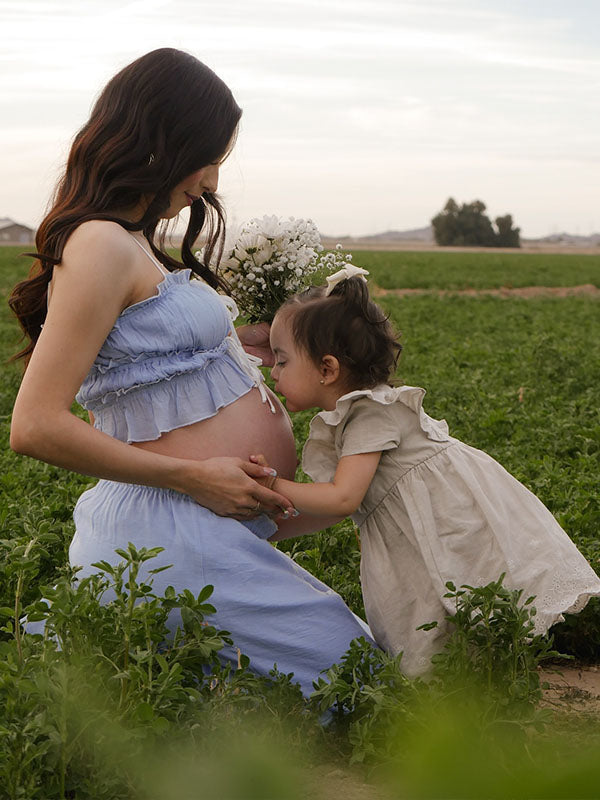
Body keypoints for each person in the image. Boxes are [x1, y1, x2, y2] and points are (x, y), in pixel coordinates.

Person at [8, 48, 374, 697]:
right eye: (206, 157)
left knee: (344, 679)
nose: (208, 182)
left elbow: (144, 367)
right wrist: (197, 476)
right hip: (167, 529)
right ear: (160, 141)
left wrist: (241, 347)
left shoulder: (130, 243)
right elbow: (34, 426)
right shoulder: (99, 243)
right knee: (360, 682)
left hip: (197, 531)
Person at [264, 265, 600, 676]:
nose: (272, 371)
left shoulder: (370, 414)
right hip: (425, 520)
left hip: (445, 519)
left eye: (281, 361)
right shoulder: (360, 411)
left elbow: (342, 498)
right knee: (436, 597)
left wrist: (274, 485)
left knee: (447, 593)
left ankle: (464, 682)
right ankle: (465, 679)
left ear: (327, 369)